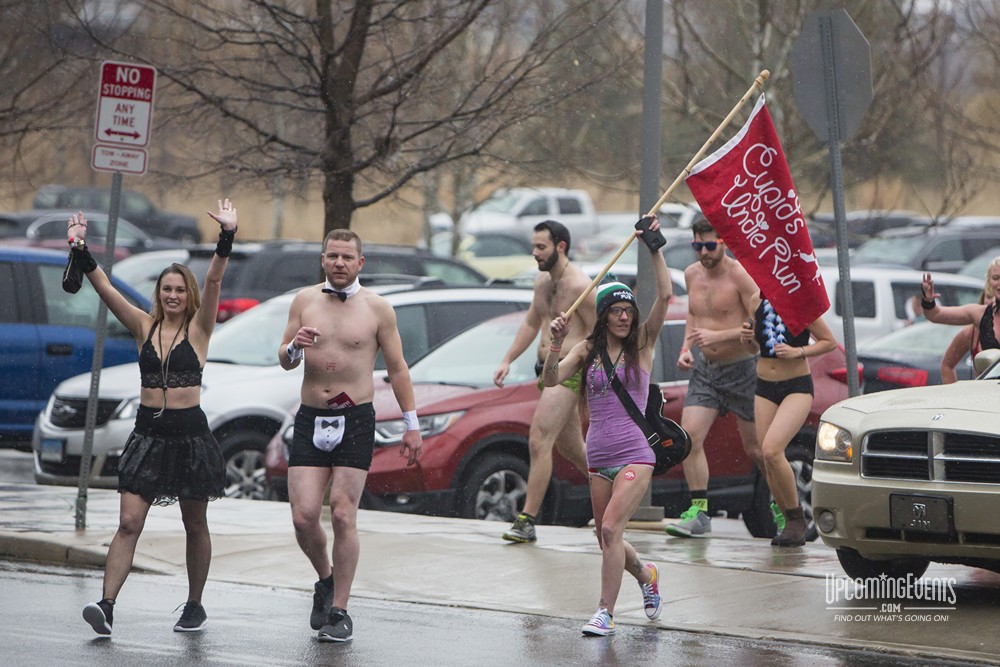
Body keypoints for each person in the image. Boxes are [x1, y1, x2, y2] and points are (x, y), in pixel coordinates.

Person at [76, 200, 238, 635]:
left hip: (191, 438)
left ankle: (194, 604)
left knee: (194, 522)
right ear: (158, 293)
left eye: (180, 290)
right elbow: (106, 289)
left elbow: (216, 276)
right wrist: (82, 249)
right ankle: (106, 606)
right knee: (129, 522)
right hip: (147, 436)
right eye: (167, 289)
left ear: (189, 296)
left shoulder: (200, 329)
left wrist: (226, 236)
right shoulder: (142, 326)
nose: (172, 295)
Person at [278, 229, 423, 643]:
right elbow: (284, 358)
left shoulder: (378, 309)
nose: (339, 263)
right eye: (332, 256)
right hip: (311, 416)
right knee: (304, 517)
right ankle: (325, 579)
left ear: (361, 263)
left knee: (343, 513)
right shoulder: (304, 301)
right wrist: (295, 348)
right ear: (323, 260)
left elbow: (397, 369)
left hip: (356, 419)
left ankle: (340, 609)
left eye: (347, 257)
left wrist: (411, 425)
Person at [543, 215, 670, 636]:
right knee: (607, 538)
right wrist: (556, 343)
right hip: (598, 455)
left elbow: (666, 295)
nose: (623, 317)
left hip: (636, 452)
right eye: (615, 311)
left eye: (627, 311)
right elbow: (550, 380)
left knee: (613, 528)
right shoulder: (588, 349)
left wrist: (654, 248)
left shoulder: (643, 345)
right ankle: (646, 574)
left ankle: (605, 613)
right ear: (603, 315)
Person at [494, 220, 594, 544]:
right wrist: (508, 359)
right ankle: (614, 492)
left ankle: (526, 519)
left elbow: (599, 335)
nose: (535, 253)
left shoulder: (580, 286)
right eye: (534, 246)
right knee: (571, 449)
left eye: (541, 247)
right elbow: (531, 322)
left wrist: (587, 382)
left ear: (560, 246)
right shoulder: (542, 282)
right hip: (545, 369)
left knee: (538, 439)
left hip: (568, 372)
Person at [667, 219, 762, 538]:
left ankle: (782, 506)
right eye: (698, 246)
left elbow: (759, 320)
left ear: (724, 242)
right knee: (688, 437)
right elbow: (694, 314)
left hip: (742, 368)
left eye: (710, 246)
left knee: (758, 449)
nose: (704, 253)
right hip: (705, 370)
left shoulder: (739, 275)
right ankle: (699, 512)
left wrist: (720, 334)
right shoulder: (691, 273)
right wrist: (686, 348)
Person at [739, 294, 837, 546]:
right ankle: (787, 520)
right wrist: (747, 340)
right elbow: (755, 348)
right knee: (765, 456)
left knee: (773, 450)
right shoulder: (754, 301)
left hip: (796, 386)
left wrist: (798, 351)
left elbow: (828, 342)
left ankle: (796, 519)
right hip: (764, 386)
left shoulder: (799, 300)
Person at [926, 260, 1000, 382]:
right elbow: (936, 314)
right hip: (987, 396)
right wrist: (928, 300)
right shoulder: (980, 315)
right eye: (996, 278)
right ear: (989, 283)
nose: (999, 283)